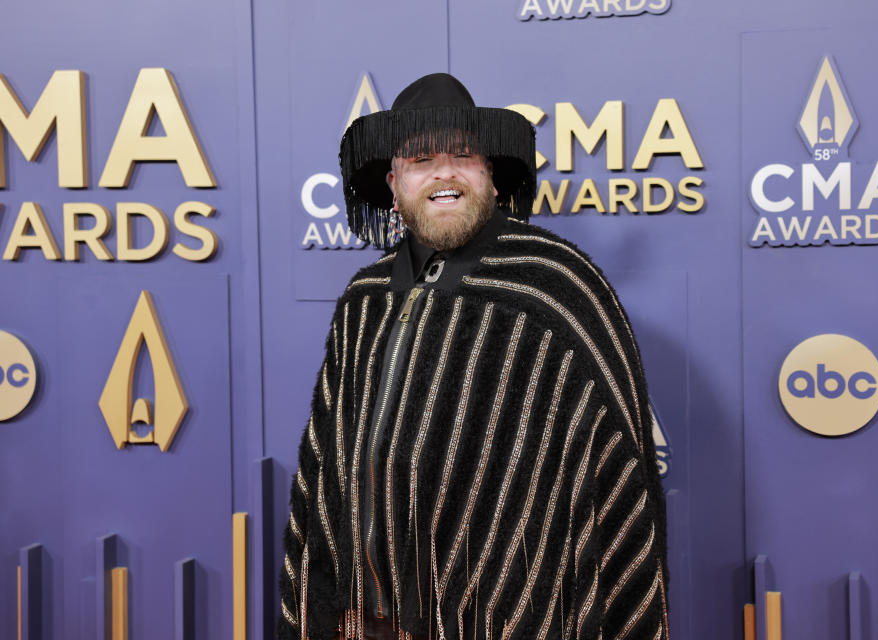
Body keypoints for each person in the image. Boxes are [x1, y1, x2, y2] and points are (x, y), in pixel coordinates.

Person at [279, 73, 669, 640]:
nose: (443, 172)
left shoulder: (554, 286)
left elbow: (618, 479)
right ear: (394, 182)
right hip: (361, 621)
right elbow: (324, 471)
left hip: (502, 620)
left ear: (489, 172)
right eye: (420, 159)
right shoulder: (364, 300)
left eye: (462, 154)